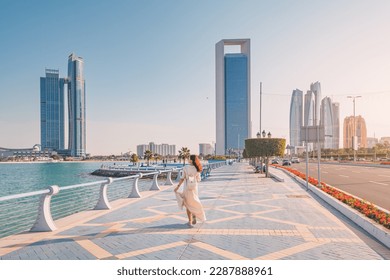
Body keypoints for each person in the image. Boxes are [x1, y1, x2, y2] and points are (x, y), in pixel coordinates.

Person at [174, 154, 206, 227]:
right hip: (194, 188)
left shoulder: (185, 167)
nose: (188, 159)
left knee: (188, 205)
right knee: (194, 202)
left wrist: (177, 187)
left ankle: (190, 222)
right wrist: (193, 179)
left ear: (191, 160)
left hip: (187, 188)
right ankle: (194, 215)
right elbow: (199, 179)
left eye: (189, 158)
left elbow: (182, 178)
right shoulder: (197, 168)